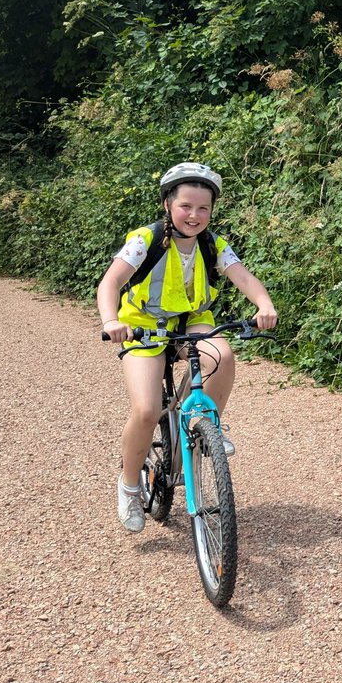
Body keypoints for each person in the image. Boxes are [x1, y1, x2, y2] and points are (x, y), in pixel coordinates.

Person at [96, 162, 277, 533]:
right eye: (186, 206)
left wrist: (265, 305)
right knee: (147, 409)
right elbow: (110, 283)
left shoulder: (213, 244)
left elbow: (243, 277)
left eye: (203, 209)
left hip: (192, 320)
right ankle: (130, 486)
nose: (194, 215)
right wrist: (111, 321)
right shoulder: (146, 240)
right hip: (143, 327)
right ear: (167, 205)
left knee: (221, 355)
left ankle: (208, 424)